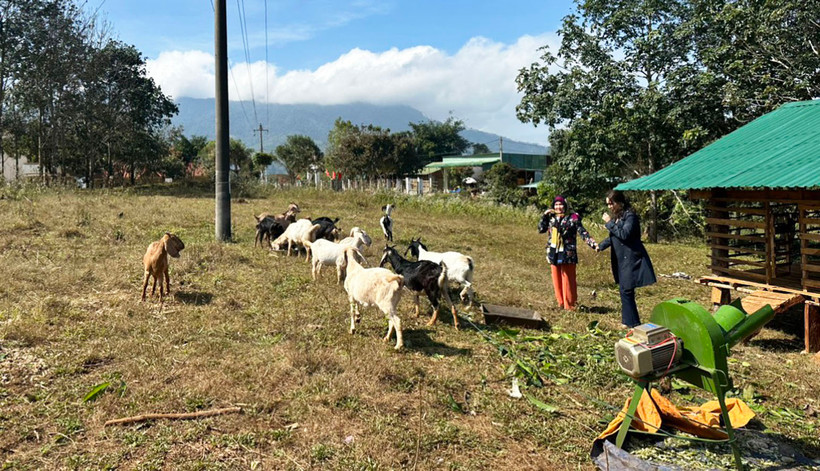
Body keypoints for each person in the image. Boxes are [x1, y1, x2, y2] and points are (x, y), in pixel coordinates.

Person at [597, 190, 657, 328]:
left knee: (627, 289)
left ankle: (632, 323)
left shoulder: (631, 216)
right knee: (624, 289)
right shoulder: (619, 216)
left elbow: (624, 234)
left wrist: (609, 222)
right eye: (608, 204)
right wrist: (600, 246)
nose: (609, 207)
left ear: (620, 202)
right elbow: (614, 236)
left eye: (611, 204)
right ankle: (628, 321)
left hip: (631, 257)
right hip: (621, 258)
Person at [538, 195, 598, 310]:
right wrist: (544, 216)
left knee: (568, 279)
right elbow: (541, 229)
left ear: (565, 206)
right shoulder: (551, 217)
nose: (558, 207)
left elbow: (582, 232)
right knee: (556, 278)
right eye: (556, 205)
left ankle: (570, 305)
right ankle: (560, 302)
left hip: (567, 252)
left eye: (561, 204)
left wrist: (592, 244)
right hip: (554, 251)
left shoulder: (573, 217)